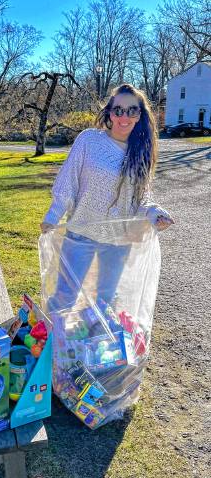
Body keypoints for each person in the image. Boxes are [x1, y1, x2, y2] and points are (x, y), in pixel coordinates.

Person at [40, 83, 174, 311]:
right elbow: (68, 180)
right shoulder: (88, 140)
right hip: (81, 234)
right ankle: (53, 343)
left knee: (105, 302)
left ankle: (95, 345)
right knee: (64, 297)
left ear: (139, 115)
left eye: (132, 110)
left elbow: (141, 199)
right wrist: (53, 215)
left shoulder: (141, 152)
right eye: (118, 110)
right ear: (109, 112)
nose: (124, 117)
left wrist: (154, 213)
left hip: (117, 241)